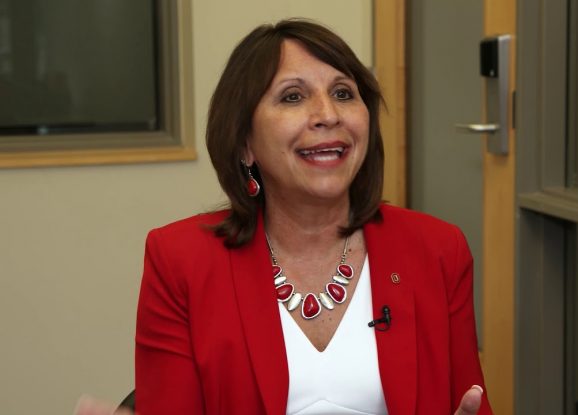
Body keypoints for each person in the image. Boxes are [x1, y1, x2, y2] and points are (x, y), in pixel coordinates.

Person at [78, 18, 493, 415]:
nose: (328, 114)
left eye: (344, 93)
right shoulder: (180, 260)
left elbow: (470, 403)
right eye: (293, 96)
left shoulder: (437, 250)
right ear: (245, 143)